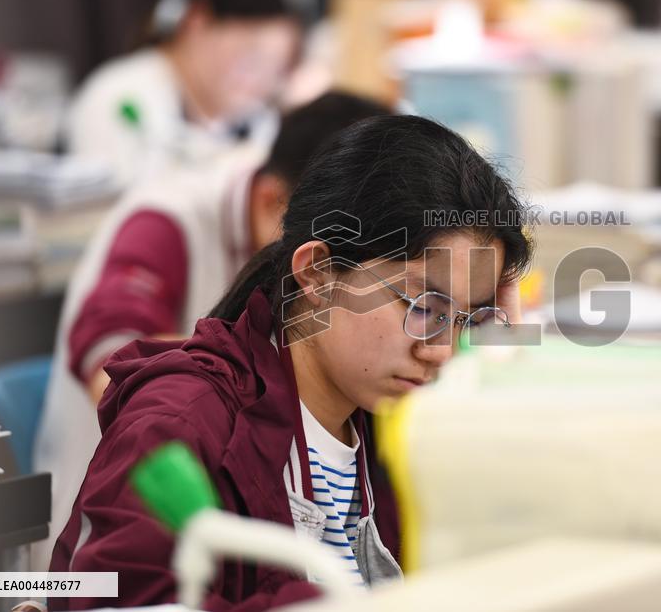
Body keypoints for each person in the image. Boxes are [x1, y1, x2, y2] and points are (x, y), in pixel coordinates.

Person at [47, 115, 532, 610]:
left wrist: (501, 368)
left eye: (464, 320)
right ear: (318, 273)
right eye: (424, 308)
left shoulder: (390, 421)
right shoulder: (180, 422)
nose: (440, 351)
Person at [34, 92, 392, 569]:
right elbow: (112, 361)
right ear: (272, 203)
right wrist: (229, 387)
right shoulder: (167, 221)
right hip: (121, 526)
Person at [66, 0, 303, 187]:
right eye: (250, 59)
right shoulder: (118, 96)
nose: (259, 82)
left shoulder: (257, 121)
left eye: (277, 67)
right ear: (197, 23)